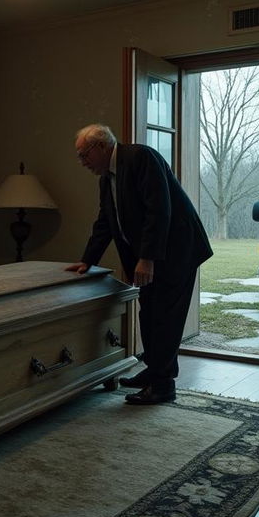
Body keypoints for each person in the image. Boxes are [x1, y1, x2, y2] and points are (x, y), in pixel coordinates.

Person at [66, 123, 213, 405]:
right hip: (153, 257)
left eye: (84, 155)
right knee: (149, 315)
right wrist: (87, 261)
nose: (82, 162)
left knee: (165, 319)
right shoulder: (106, 178)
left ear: (100, 147)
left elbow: (159, 211)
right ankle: (154, 370)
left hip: (176, 252)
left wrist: (146, 259)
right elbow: (105, 223)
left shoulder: (140, 158)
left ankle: (163, 385)